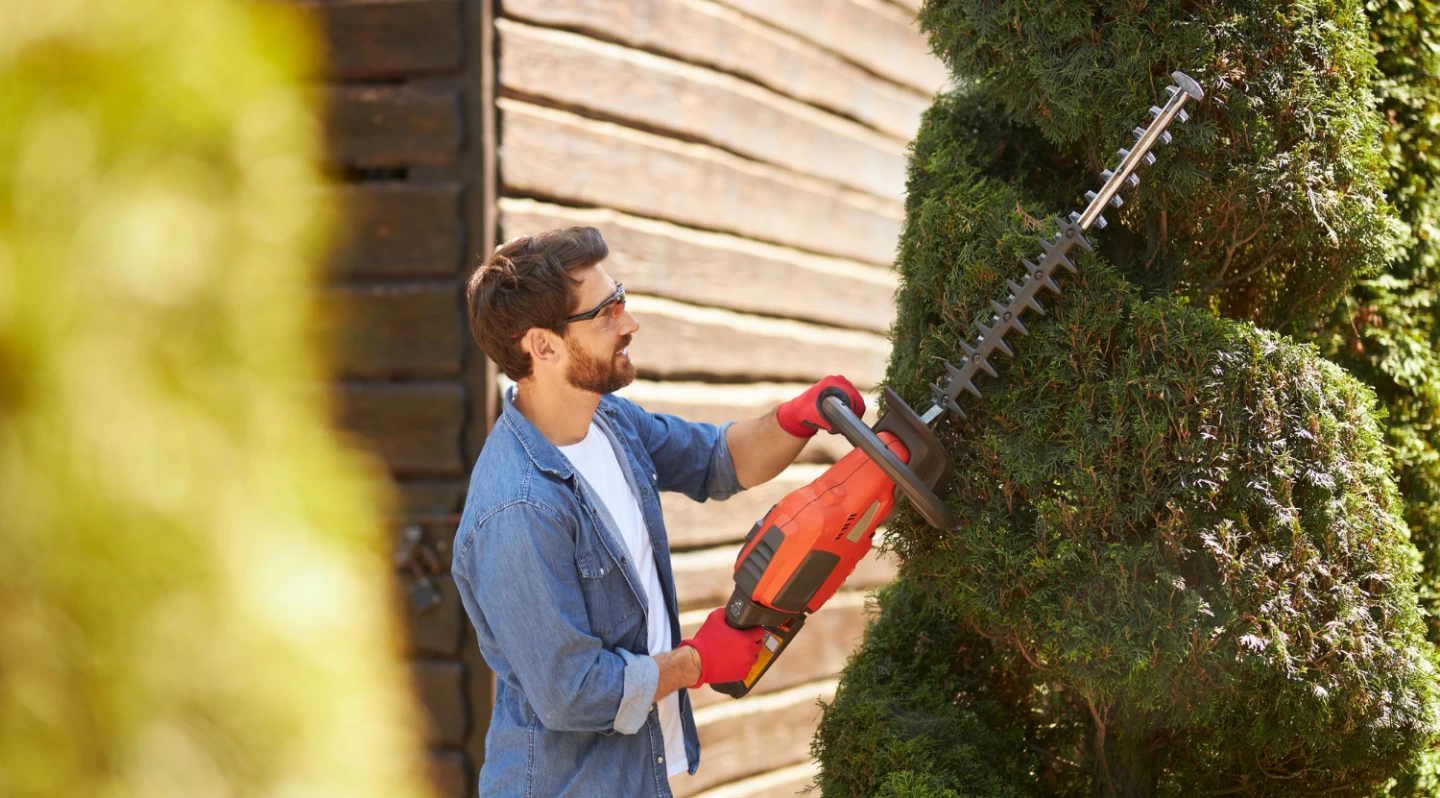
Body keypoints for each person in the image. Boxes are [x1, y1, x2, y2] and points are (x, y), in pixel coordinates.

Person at [453, 226, 866, 797]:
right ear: (541, 346)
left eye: (619, 298)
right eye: (604, 313)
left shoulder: (609, 423)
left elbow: (719, 460)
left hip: (637, 777)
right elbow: (573, 691)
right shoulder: (519, 507)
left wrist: (795, 418)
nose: (629, 324)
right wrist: (694, 663)